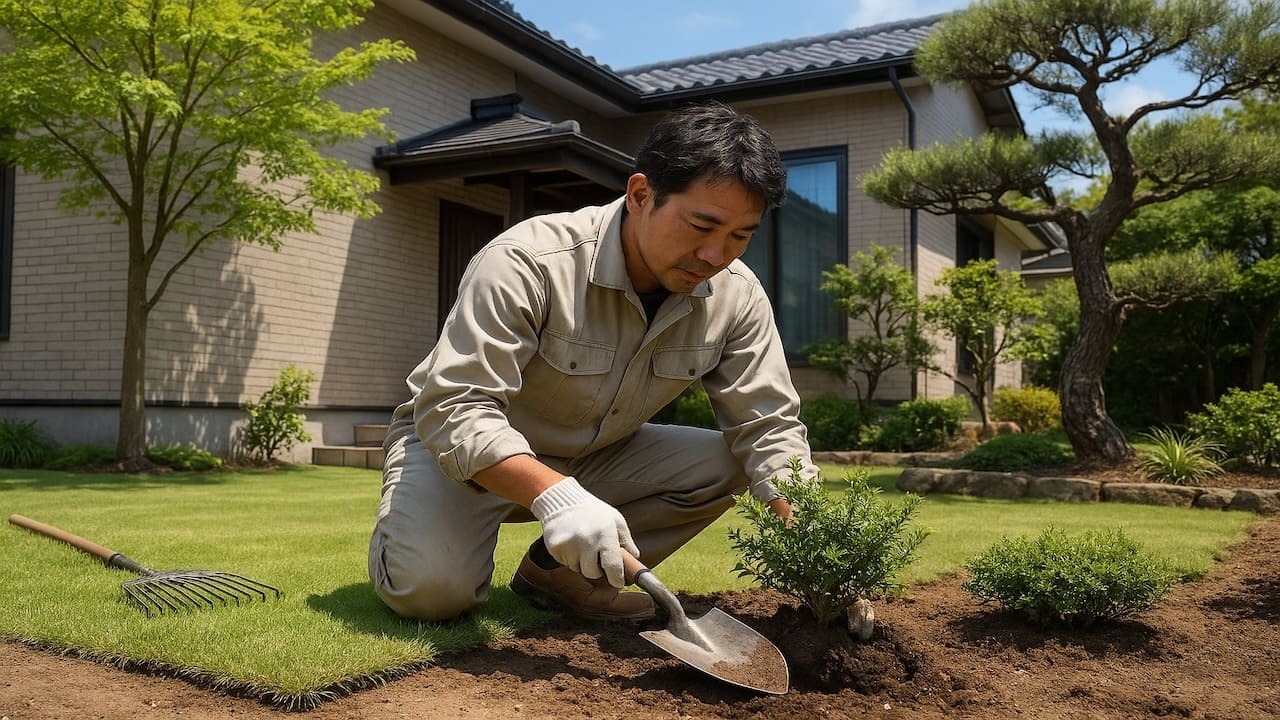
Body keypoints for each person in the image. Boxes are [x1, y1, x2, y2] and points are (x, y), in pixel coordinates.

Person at [368, 101, 817, 623]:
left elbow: (770, 428)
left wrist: (816, 552)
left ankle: (562, 580)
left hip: (600, 455)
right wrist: (555, 496)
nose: (716, 255)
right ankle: (407, 537)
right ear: (641, 194)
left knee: (735, 460)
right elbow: (455, 407)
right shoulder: (529, 260)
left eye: (741, 236)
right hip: (461, 452)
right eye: (702, 226)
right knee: (432, 593)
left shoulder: (736, 296)